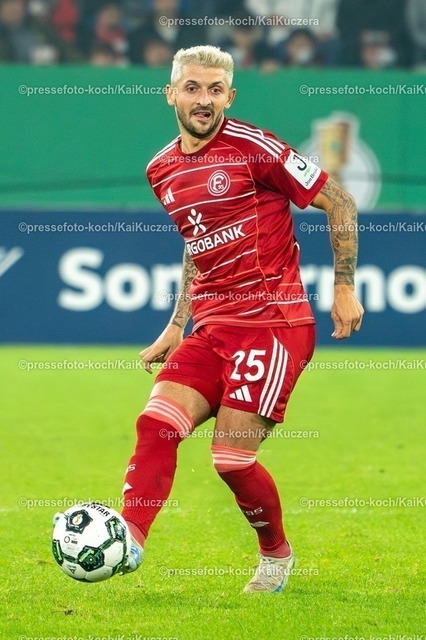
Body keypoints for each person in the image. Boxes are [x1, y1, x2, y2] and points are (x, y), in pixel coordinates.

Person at [119, 45, 364, 593]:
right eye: (192, 88)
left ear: (229, 96)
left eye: (214, 90)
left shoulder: (258, 148)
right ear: (171, 94)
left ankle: (276, 555)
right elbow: (197, 242)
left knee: (230, 460)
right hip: (211, 325)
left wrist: (344, 287)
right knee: (155, 423)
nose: (203, 100)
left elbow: (341, 201)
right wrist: (177, 324)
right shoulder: (161, 169)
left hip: (273, 323)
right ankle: (127, 541)